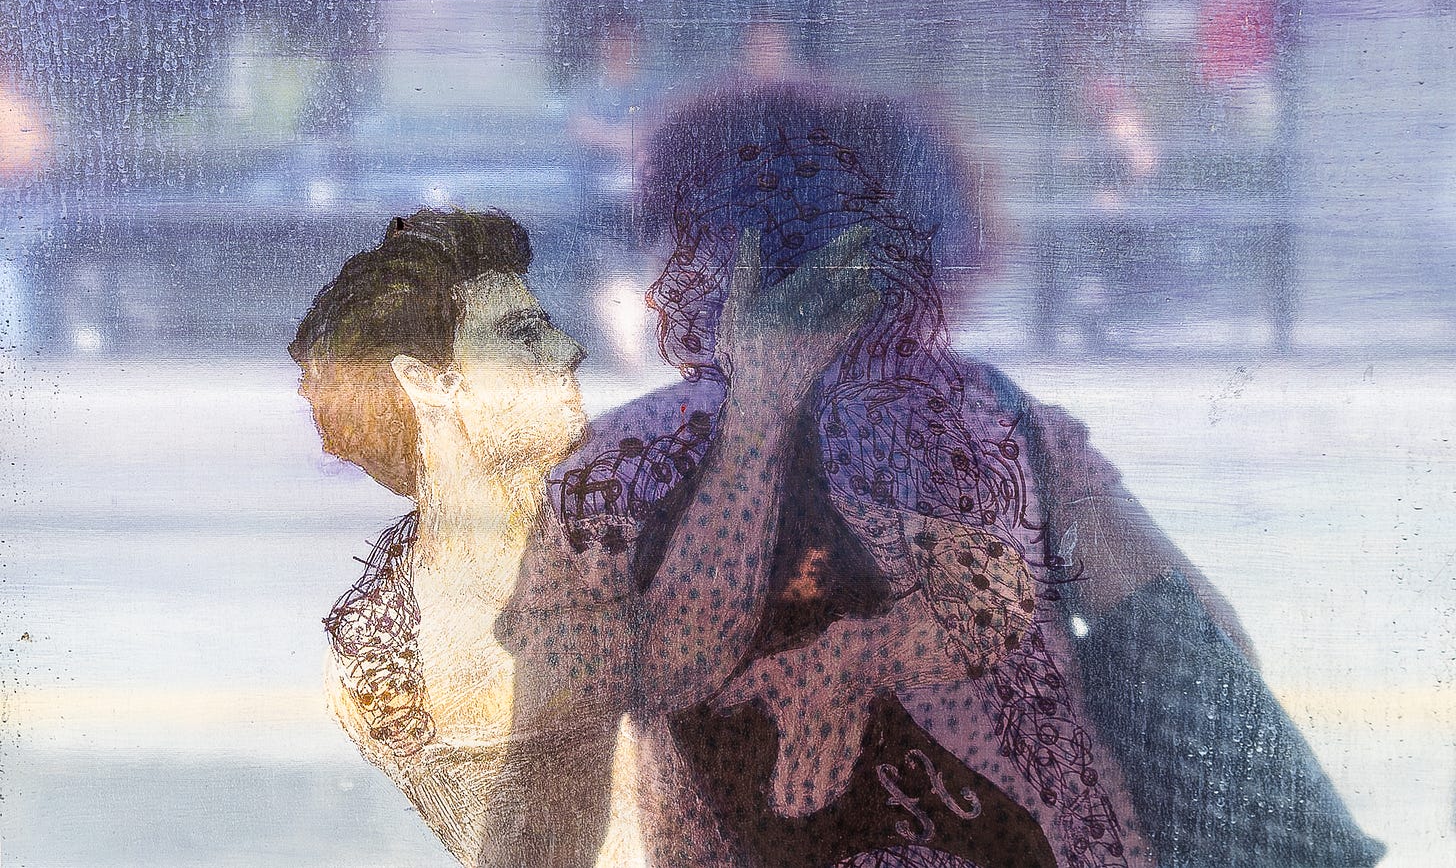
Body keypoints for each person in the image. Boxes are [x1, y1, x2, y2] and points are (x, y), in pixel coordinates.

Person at [552, 82, 1386, 868]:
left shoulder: (619, 467)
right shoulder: (1002, 421)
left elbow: (550, 793)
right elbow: (1205, 641)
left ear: (710, 256)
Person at [289, 207, 884, 867]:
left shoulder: (587, 538)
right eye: (522, 335)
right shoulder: (387, 641)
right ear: (428, 381)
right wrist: (759, 406)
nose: (568, 349)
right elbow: (666, 662)